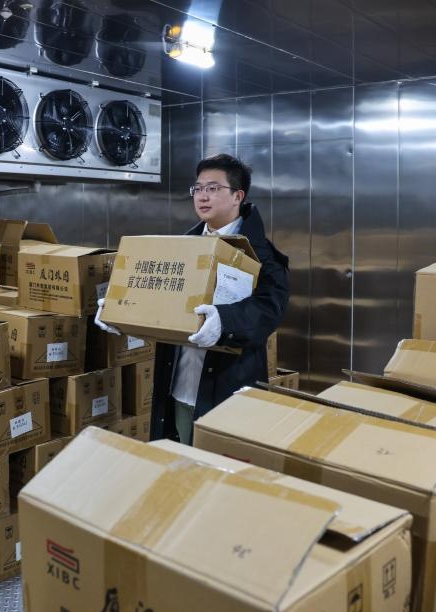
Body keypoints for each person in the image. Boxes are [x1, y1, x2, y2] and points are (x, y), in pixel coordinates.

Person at [95, 153, 290, 444]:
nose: (202, 196)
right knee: (178, 458)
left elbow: (269, 310)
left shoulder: (263, 255)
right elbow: (162, 299)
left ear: (237, 196)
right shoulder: (183, 247)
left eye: (213, 188)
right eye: (198, 188)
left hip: (228, 388)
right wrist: (121, 312)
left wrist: (224, 321)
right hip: (178, 383)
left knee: (220, 466)